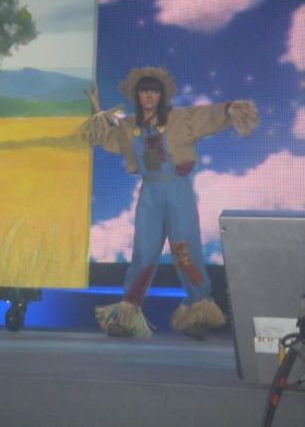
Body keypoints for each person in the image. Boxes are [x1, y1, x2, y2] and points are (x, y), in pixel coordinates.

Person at [81, 67, 258, 339]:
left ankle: (197, 311)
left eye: (154, 91)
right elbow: (108, 137)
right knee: (143, 253)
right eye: (144, 91)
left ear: (161, 95)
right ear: (137, 95)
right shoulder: (129, 126)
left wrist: (230, 109)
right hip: (150, 192)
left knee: (184, 250)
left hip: (177, 190)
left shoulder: (180, 118)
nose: (149, 96)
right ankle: (127, 315)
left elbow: (208, 115)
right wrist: (95, 107)